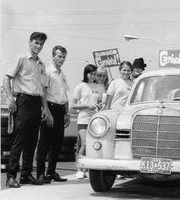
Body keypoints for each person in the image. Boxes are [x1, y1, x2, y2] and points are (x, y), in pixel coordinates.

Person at [3, 32, 53, 188]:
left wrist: (45, 108)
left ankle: (25, 175)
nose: (38, 46)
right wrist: (10, 98)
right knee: (19, 140)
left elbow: (43, 90)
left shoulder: (41, 65)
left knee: (32, 141)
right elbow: (6, 78)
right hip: (23, 101)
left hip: (36, 103)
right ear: (30, 42)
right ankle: (11, 176)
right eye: (36, 43)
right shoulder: (21, 58)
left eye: (41, 44)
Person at [36, 45, 70, 183]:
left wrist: (67, 113)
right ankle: (40, 174)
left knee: (57, 143)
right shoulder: (47, 71)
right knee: (44, 143)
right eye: (59, 56)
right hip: (50, 108)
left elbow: (65, 94)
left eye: (63, 57)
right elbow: (42, 92)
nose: (61, 59)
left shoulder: (62, 74)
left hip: (60, 109)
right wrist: (46, 112)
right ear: (53, 56)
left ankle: (51, 172)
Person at [71, 64, 105, 179]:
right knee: (84, 144)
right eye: (91, 74)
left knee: (93, 146)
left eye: (95, 74)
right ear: (86, 74)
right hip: (83, 119)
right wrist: (86, 106)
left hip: (95, 121)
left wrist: (99, 106)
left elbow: (101, 103)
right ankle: (80, 169)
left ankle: (87, 168)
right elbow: (73, 105)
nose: (93, 76)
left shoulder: (99, 87)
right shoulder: (80, 86)